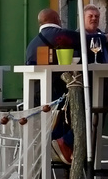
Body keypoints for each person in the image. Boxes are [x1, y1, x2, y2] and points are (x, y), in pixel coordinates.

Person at [26, 9, 81, 159]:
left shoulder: (32, 43)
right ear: (57, 19)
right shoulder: (57, 35)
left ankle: (55, 149)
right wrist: (106, 37)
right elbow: (83, 40)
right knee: (85, 113)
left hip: (36, 98)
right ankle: (63, 144)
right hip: (54, 95)